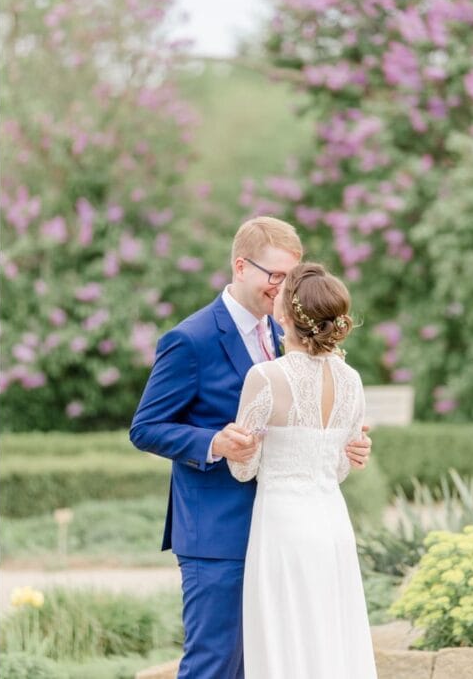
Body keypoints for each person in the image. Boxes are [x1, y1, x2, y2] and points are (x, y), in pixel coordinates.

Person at [129, 217, 372, 679]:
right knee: (216, 664)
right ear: (241, 266)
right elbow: (145, 426)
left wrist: (345, 446)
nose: (283, 289)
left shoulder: (288, 340)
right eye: (275, 276)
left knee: (272, 662)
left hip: (282, 532)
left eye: (291, 278)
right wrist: (213, 442)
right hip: (218, 532)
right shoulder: (191, 339)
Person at [228, 262, 376, 678]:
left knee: (285, 640)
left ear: (284, 315)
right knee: (332, 636)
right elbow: (343, 466)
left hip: (282, 527)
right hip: (332, 522)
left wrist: (237, 447)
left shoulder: (265, 378)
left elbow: (244, 470)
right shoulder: (352, 380)